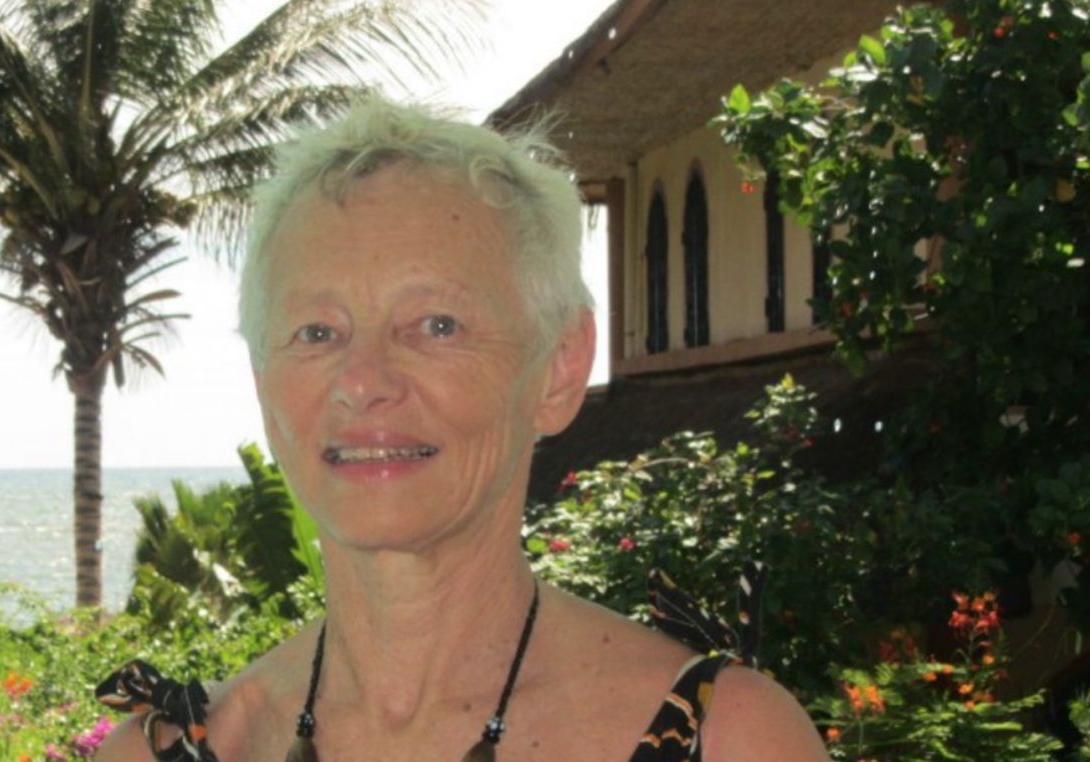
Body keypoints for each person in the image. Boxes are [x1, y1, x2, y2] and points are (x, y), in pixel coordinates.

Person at [96, 99, 829, 762]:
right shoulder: (160, 754)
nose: (363, 381)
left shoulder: (729, 740)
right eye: (316, 332)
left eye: (437, 325)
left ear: (559, 367)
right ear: (263, 381)